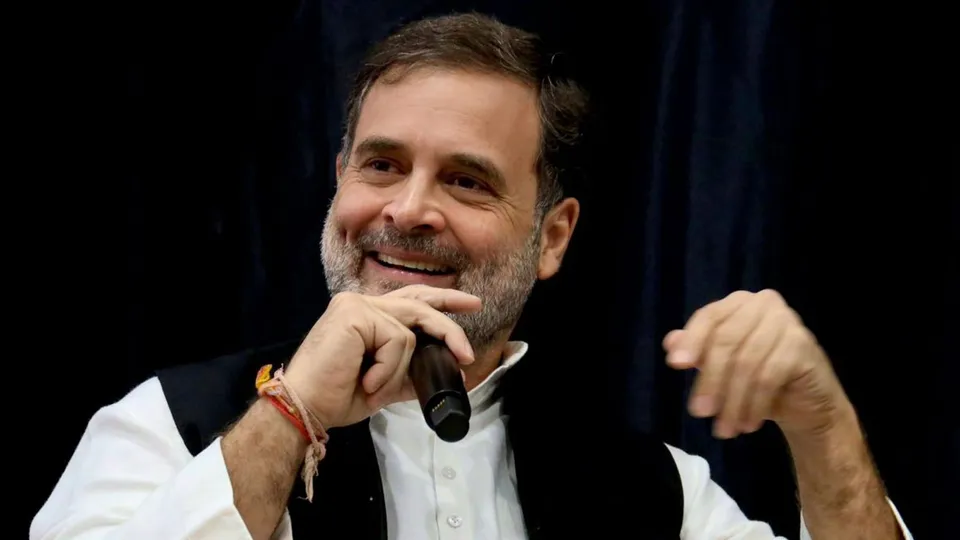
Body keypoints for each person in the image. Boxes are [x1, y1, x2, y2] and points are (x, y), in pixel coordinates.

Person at [33, 13, 911, 540]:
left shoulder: (654, 495)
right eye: (380, 165)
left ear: (552, 235)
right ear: (337, 179)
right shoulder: (165, 427)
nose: (409, 210)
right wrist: (290, 412)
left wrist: (823, 424)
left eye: (465, 179)